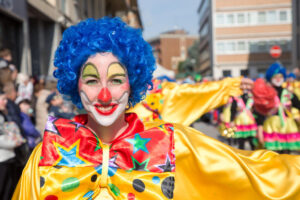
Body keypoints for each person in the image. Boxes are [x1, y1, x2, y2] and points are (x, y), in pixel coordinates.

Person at [13, 17, 300, 200]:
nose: (103, 94)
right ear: (75, 85)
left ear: (132, 83)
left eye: (115, 79)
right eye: (91, 80)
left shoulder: (171, 144)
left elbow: (262, 176)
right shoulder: (50, 150)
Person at [254, 62, 300, 153]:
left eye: (280, 77)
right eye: (275, 77)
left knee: (287, 155)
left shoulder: (289, 93)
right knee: (273, 155)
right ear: (270, 78)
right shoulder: (265, 93)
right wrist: (259, 130)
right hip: (271, 127)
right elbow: (260, 113)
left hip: (287, 128)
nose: (278, 79)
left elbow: (298, 105)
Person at [0, 89, 24, 200]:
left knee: (9, 191)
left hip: (9, 157)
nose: (6, 102)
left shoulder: (4, 114)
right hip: (2, 159)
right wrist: (15, 142)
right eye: (3, 99)